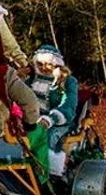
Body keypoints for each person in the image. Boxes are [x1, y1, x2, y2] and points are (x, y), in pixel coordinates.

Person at [23, 45, 78, 187]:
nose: (43, 68)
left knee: (48, 137)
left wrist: (50, 119)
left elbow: (68, 106)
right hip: (31, 119)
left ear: (56, 64)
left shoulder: (67, 81)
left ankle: (51, 175)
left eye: (48, 64)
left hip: (59, 122)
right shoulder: (30, 79)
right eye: (39, 64)